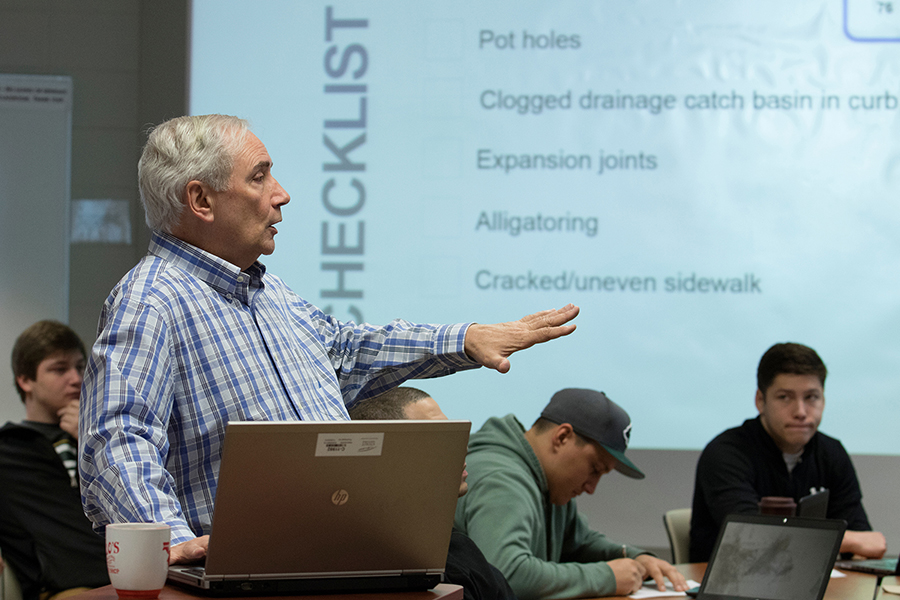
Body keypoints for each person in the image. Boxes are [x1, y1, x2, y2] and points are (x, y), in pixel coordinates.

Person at [79, 114, 580, 566]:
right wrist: (168, 538)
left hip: (326, 564)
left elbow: (344, 352)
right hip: (242, 579)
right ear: (200, 200)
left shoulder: (267, 290)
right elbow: (118, 435)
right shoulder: (150, 300)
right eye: (259, 176)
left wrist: (466, 339)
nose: (282, 193)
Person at [453, 388, 688, 599]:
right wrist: (606, 577)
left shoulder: (546, 480)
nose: (591, 488)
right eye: (594, 469)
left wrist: (635, 557)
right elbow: (507, 574)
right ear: (562, 437)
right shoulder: (501, 478)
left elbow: (581, 543)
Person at [689, 342, 887, 563]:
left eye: (811, 397)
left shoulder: (832, 453)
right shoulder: (725, 453)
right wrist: (846, 540)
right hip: (730, 588)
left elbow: (865, 542)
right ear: (760, 401)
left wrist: (855, 542)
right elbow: (751, 537)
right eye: (785, 397)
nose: (801, 412)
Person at [350, 387, 517, 600]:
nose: (462, 447)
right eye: (439, 437)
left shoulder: (457, 550)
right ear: (392, 460)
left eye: (452, 433)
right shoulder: (390, 565)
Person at [0, 321, 109, 600]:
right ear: (25, 380)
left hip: (132, 574)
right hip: (68, 587)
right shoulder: (8, 451)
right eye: (59, 369)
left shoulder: (105, 438)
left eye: (80, 366)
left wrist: (88, 440)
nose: (75, 378)